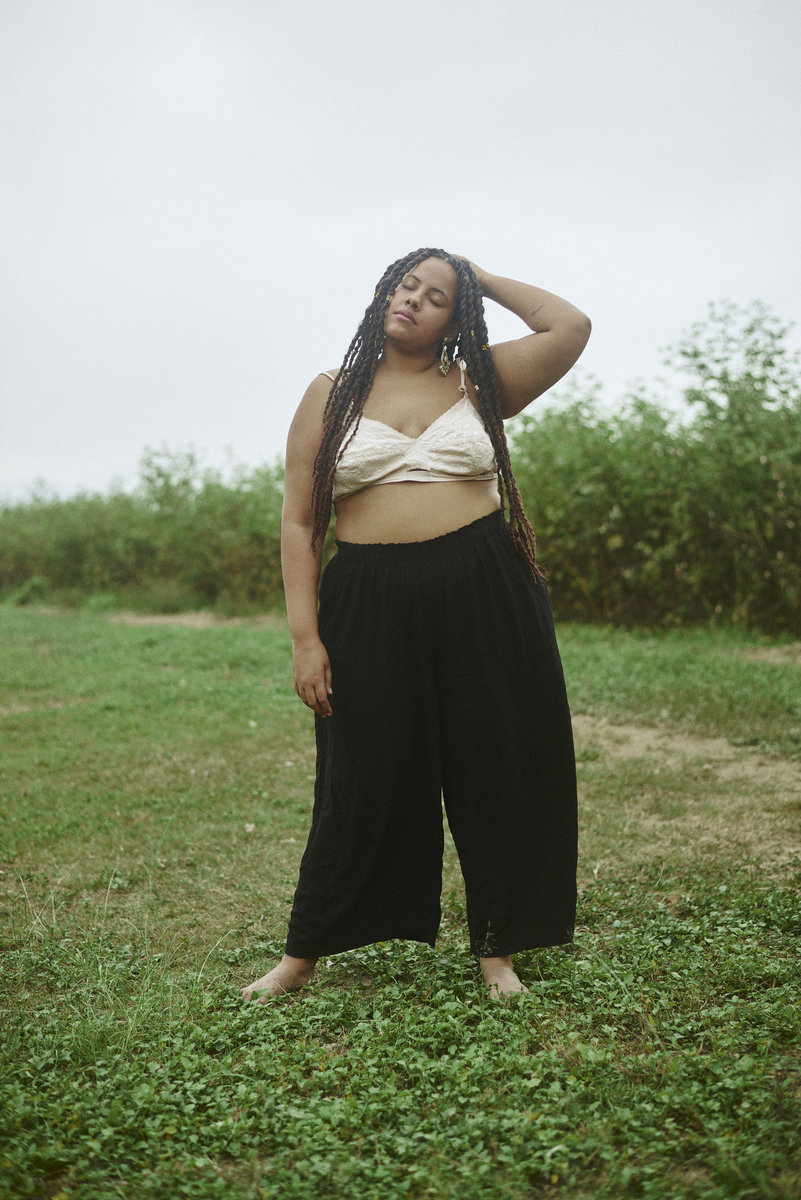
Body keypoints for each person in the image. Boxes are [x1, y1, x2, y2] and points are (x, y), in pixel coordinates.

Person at [242, 248, 591, 1000]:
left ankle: (498, 950)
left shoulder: (479, 380)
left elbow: (568, 326)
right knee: (360, 771)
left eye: (436, 296)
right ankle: (303, 952)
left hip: (485, 588)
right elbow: (300, 521)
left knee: (498, 762)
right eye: (407, 285)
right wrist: (305, 638)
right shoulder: (329, 392)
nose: (413, 300)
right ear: (383, 292)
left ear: (457, 318)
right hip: (368, 594)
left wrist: (477, 277)